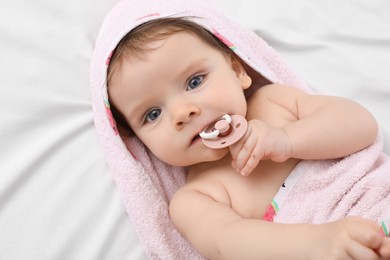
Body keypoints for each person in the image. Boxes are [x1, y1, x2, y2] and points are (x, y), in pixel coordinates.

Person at [105, 15, 390, 260]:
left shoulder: (273, 103)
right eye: (152, 114)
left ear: (237, 71)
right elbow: (227, 242)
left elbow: (362, 125)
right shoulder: (196, 198)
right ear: (138, 142)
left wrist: (287, 139)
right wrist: (317, 243)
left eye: (195, 81)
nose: (182, 112)